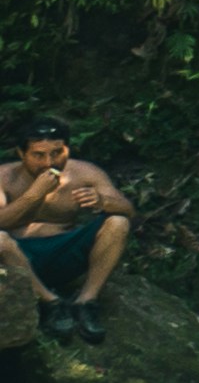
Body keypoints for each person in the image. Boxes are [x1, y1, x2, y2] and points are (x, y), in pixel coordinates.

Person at [6, 123, 132, 347]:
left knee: (118, 222)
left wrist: (104, 202)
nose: (49, 163)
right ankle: (51, 303)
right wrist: (34, 195)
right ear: (21, 153)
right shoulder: (4, 177)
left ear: (67, 150)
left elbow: (128, 209)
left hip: (64, 252)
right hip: (18, 257)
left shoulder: (85, 172)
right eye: (38, 155)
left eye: (57, 153)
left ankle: (86, 302)